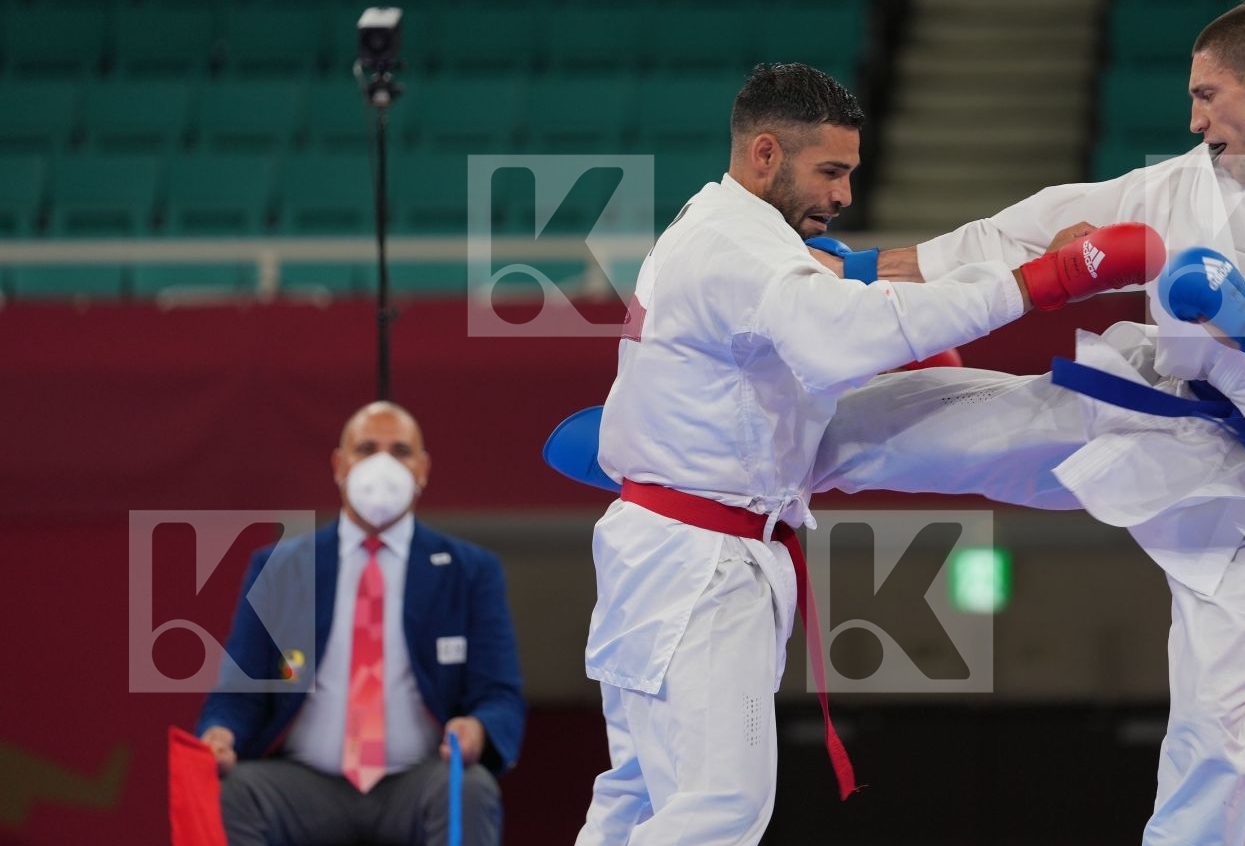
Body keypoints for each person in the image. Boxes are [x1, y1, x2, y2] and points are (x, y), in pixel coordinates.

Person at [806, 0, 1245, 845]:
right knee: (947, 428)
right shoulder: (1182, 190)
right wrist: (875, 271)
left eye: (1207, 95)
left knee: (1212, 714)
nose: (1196, 120)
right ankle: (716, 457)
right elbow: (1023, 232)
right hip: (1161, 408)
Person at [570, 63, 1162, 846]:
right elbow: (847, 331)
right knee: (716, 810)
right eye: (831, 172)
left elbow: (835, 299)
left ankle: (1136, 429)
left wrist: (900, 300)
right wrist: (1039, 281)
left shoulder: (723, 228)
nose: (845, 194)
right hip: (700, 563)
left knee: (639, 802)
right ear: (766, 155)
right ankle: (1151, 432)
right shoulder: (739, 249)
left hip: (678, 552)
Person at [196, 401, 526, 846]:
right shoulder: (281, 567)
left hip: (416, 783)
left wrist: (477, 729)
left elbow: (499, 693)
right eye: (367, 448)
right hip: (305, 785)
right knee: (232, 794)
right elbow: (240, 691)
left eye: (401, 451)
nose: (382, 465)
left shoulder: (470, 572)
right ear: (339, 464)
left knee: (469, 789)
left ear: (423, 469)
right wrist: (221, 734)